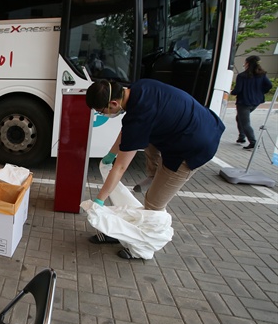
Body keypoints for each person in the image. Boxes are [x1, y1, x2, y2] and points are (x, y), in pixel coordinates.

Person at [85, 79, 225, 259]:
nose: (102, 114)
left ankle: (142, 249)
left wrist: (99, 201)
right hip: (202, 123)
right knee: (149, 143)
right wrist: (111, 154)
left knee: (153, 202)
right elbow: (128, 133)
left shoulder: (139, 116)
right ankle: (154, 178)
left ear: (113, 103)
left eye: (102, 111)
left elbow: (120, 167)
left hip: (193, 146)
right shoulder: (138, 88)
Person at [230, 55, 273, 149]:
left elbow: (238, 90)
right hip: (256, 101)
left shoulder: (242, 76)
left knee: (245, 123)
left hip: (244, 102)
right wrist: (261, 91)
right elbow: (269, 85)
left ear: (248, 63)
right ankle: (241, 137)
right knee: (239, 118)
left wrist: (231, 92)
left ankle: (253, 142)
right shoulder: (261, 75)